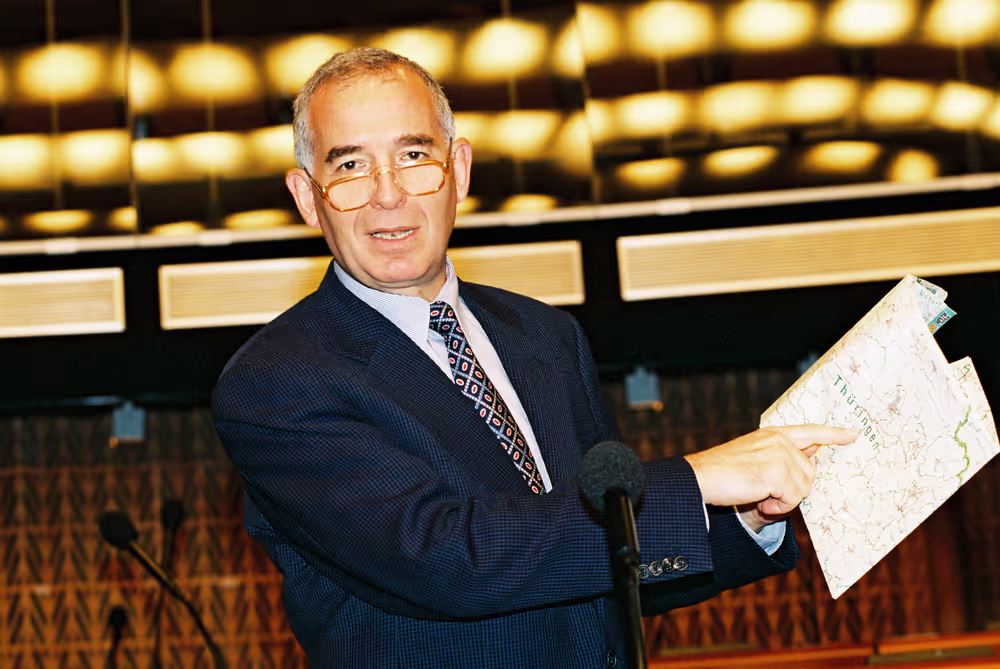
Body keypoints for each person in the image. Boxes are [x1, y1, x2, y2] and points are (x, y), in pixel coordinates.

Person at [212, 47, 858, 669]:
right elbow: (443, 560)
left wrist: (746, 518)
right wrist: (692, 483)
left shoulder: (545, 335)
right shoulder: (277, 381)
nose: (389, 193)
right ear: (306, 195)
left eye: (414, 155)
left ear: (458, 170)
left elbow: (602, 562)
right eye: (350, 165)